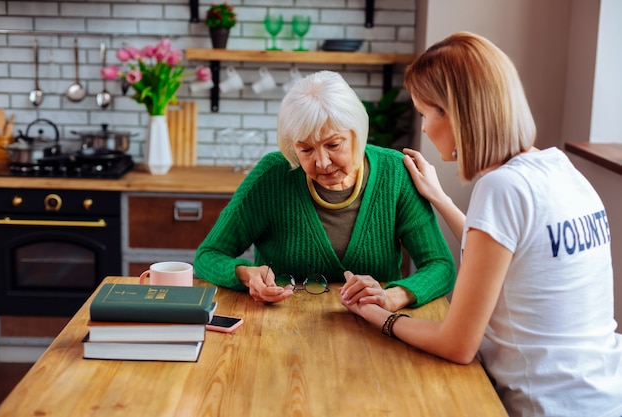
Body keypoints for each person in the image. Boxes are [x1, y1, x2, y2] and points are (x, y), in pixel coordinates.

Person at [340, 32, 622, 417]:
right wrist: (440, 198)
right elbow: (504, 254)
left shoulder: (501, 187)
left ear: (456, 113)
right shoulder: (561, 172)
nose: (423, 128)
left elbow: (458, 344)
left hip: (547, 404)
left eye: (426, 113)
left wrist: (382, 318)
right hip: (601, 395)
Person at [194, 70, 456, 309]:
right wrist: (245, 274)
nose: (322, 162)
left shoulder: (395, 174)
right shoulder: (272, 176)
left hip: (375, 330)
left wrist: (393, 296)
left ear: (358, 133)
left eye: (333, 145)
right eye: (306, 149)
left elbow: (440, 265)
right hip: (280, 333)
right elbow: (207, 256)